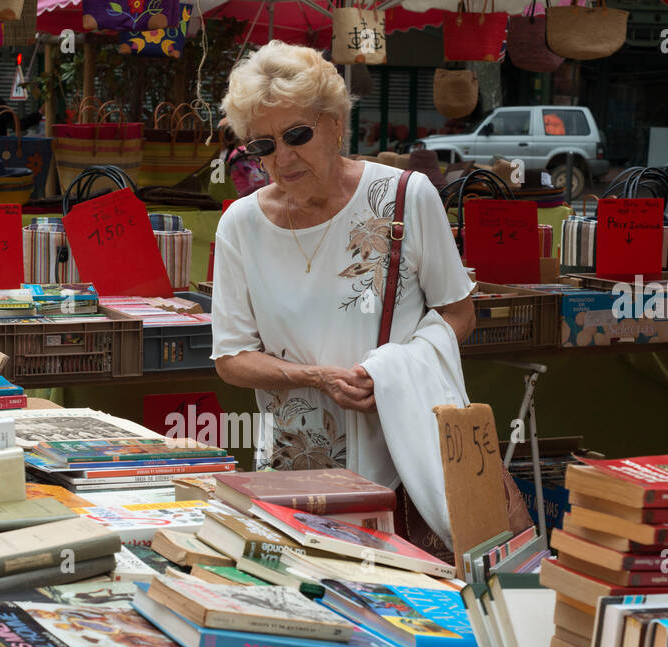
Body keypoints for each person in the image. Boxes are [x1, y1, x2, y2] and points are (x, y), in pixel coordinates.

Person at [211, 41, 528, 556]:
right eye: (263, 146)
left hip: (405, 467)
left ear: (335, 123)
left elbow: (457, 311)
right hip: (296, 476)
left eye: (297, 135)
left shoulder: (406, 196)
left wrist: (393, 372)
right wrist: (317, 377)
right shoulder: (240, 226)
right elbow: (231, 357)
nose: (283, 158)